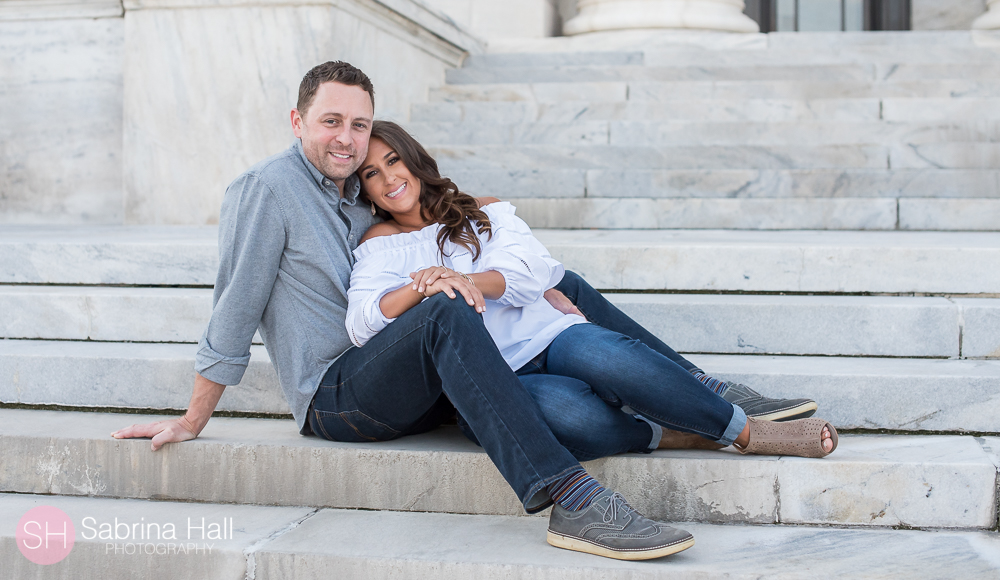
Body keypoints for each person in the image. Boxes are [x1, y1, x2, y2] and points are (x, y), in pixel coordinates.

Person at [111, 60, 698, 562]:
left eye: (358, 125)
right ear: (298, 123)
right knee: (444, 304)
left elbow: (429, 218)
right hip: (338, 395)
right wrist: (192, 420)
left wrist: (519, 266)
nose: (346, 138)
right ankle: (572, 500)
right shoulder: (266, 189)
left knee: (551, 282)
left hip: (407, 378)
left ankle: (697, 391)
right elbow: (234, 310)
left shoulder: (357, 195)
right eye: (331, 122)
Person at [346, 120, 838, 465]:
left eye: (393, 161)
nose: (389, 178)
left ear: (413, 160)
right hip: (493, 374)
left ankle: (747, 432)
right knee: (572, 414)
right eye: (372, 172)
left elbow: (532, 271)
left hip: (546, 335)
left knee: (609, 355)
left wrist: (465, 280)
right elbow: (363, 321)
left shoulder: (483, 211)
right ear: (364, 189)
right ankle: (675, 432)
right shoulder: (379, 245)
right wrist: (423, 285)